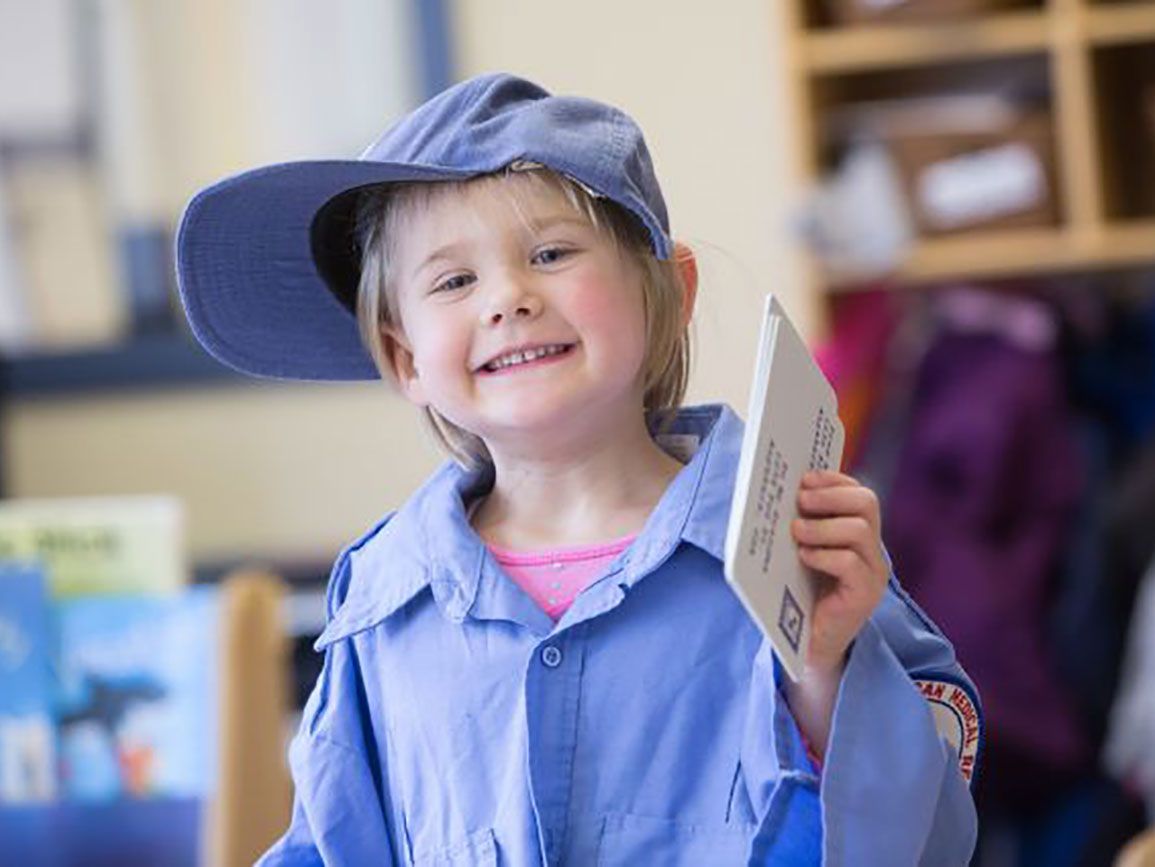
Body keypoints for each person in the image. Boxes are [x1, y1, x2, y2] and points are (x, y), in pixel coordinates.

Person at [176, 73, 981, 866]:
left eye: (551, 252)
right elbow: (334, 842)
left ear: (667, 293)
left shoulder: (791, 543)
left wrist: (823, 669)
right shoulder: (380, 605)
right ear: (403, 356)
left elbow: (931, 837)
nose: (508, 298)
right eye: (454, 280)